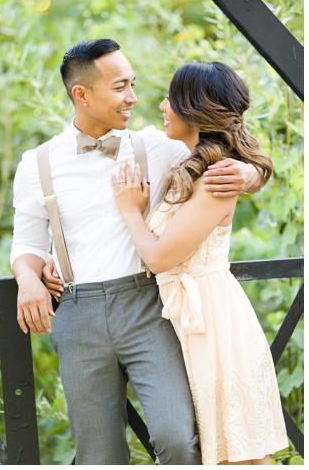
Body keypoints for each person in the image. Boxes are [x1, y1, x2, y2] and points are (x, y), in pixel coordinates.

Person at [10, 39, 266, 464]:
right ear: (82, 94)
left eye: (132, 84)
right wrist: (27, 279)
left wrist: (249, 172)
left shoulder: (158, 147)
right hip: (79, 313)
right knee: (99, 453)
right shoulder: (37, 164)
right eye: (120, 86)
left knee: (177, 438)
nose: (133, 97)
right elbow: (27, 244)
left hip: (149, 306)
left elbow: (224, 146)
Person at [111, 61, 287, 464]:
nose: (161, 105)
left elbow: (157, 257)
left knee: (236, 454)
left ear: (194, 109)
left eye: (171, 99)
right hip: (190, 324)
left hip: (214, 326)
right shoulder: (193, 163)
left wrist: (130, 211)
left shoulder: (215, 179)